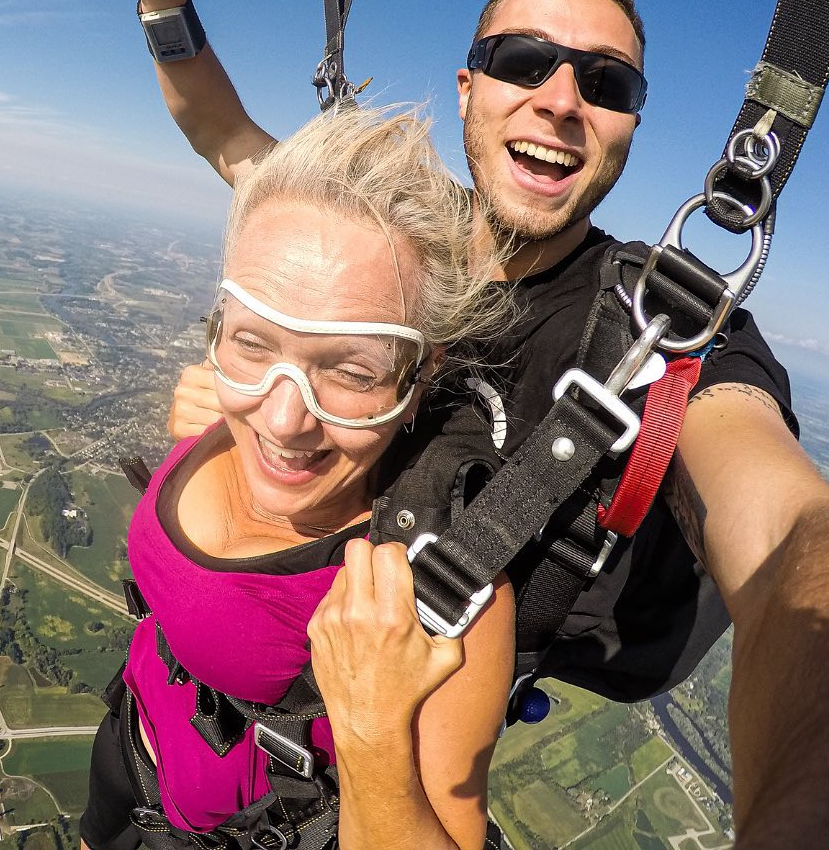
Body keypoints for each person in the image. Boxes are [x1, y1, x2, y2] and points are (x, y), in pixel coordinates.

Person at [58, 0, 829, 845]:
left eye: (605, 83)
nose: (561, 97)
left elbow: (792, 536)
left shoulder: (657, 332)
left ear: (627, 128)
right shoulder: (393, 250)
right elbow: (227, 137)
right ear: (469, 87)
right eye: (524, 61)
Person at [78, 106, 517, 850]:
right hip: (129, 755)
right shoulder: (225, 417)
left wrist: (374, 730)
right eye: (253, 343)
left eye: (350, 373)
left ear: (420, 378)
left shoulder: (441, 594)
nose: (284, 420)